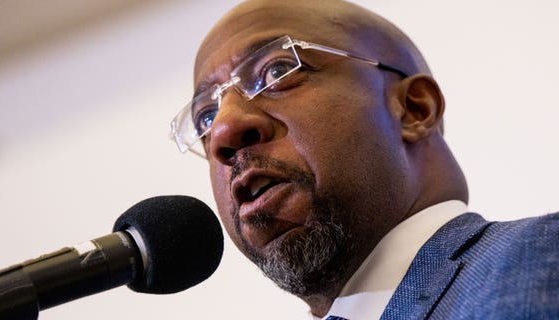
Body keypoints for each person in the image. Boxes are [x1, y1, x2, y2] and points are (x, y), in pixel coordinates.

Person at [169, 0, 559, 319]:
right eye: (206, 116)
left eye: (277, 70)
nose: (223, 131)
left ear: (413, 109)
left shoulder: (540, 261)